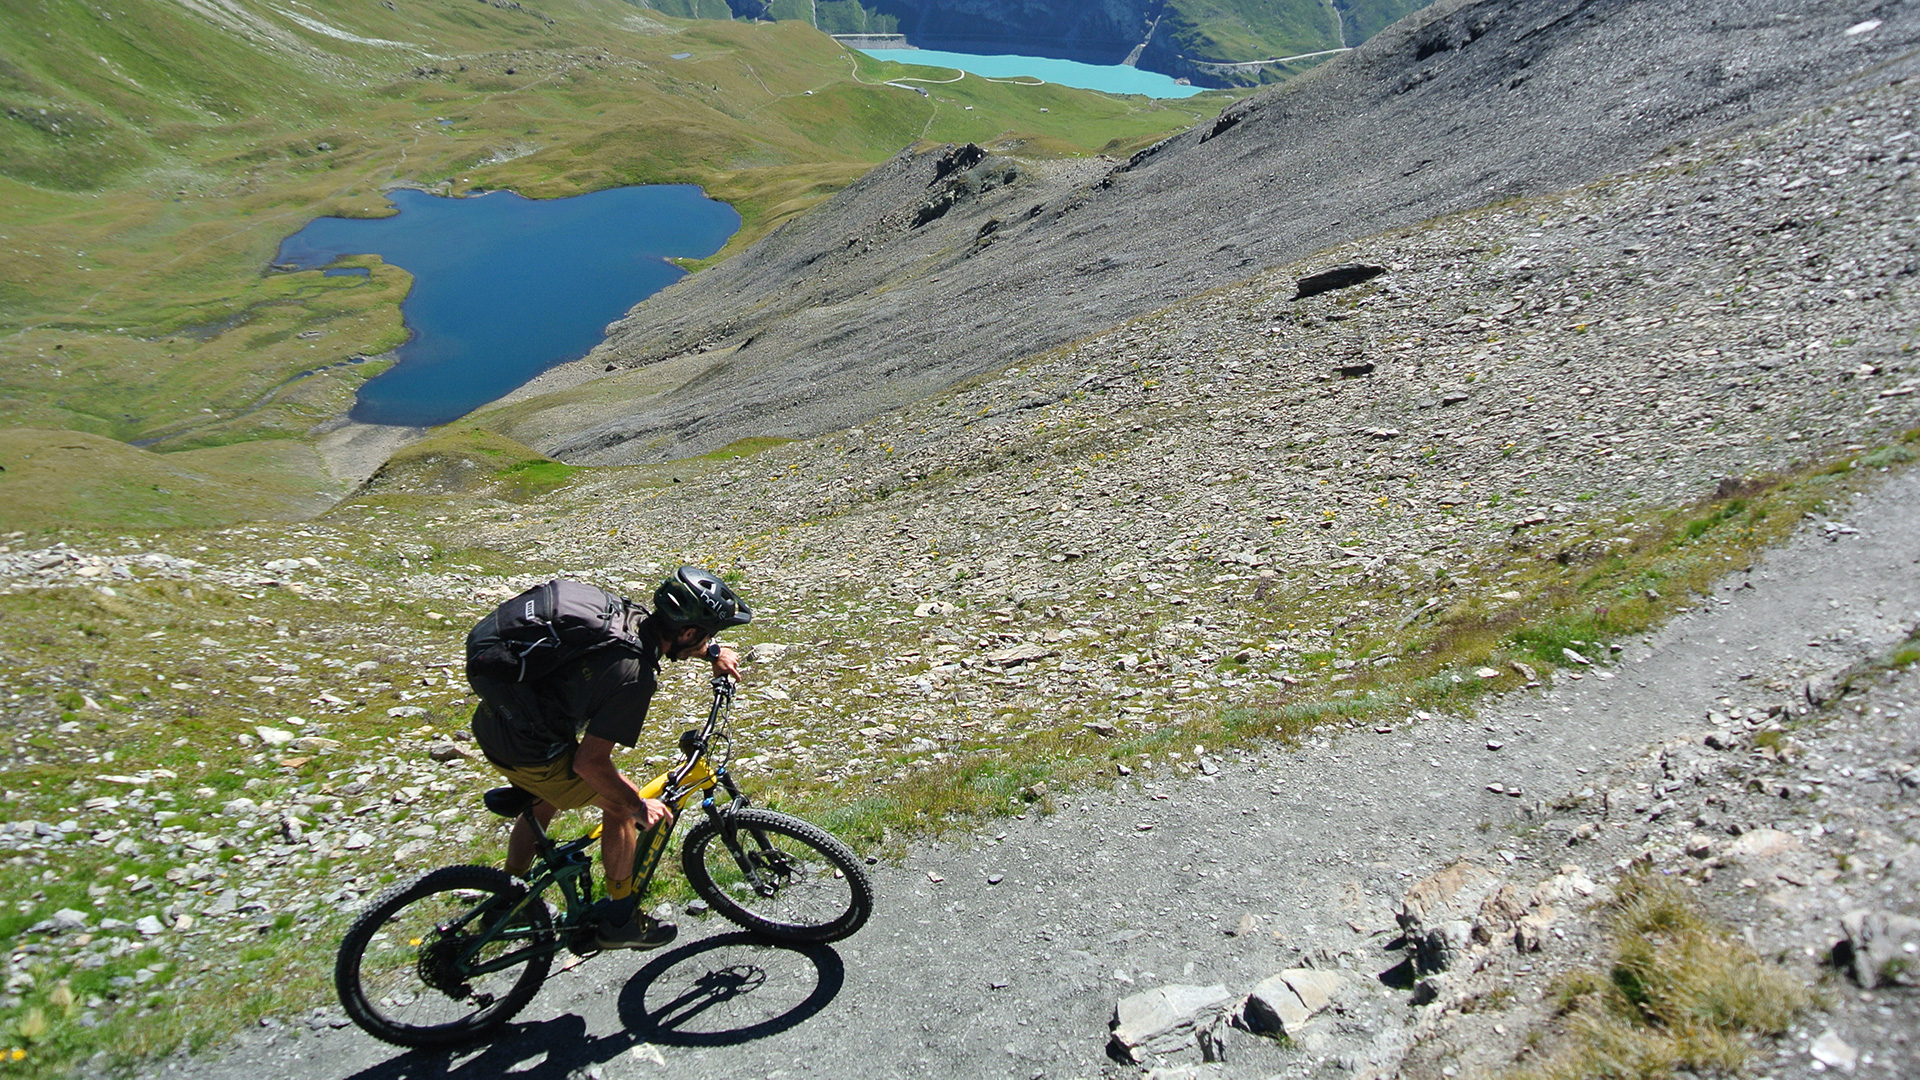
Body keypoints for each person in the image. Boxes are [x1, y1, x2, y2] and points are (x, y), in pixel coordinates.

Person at [468, 566, 748, 949]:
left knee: (543, 803)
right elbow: (589, 764)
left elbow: (669, 642)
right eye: (708, 633)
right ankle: (620, 923)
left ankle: (507, 900)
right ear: (686, 631)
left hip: (496, 726)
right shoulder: (635, 676)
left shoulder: (627, 616)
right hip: (533, 754)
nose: (709, 640)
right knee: (620, 806)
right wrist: (637, 806)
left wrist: (711, 651)